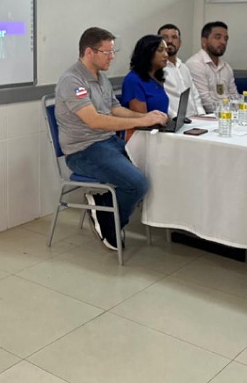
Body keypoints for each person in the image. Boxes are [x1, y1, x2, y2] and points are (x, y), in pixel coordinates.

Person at [55, 27, 168, 250]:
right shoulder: (72, 81)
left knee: (155, 170)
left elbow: (115, 109)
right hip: (83, 151)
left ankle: (102, 204)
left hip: (107, 143)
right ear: (89, 52)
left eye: (113, 52)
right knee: (138, 184)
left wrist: (146, 117)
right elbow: (95, 121)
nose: (112, 57)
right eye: (107, 52)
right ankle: (108, 220)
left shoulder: (101, 77)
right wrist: (140, 121)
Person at [185, 21, 238, 112]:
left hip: (227, 115)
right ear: (204, 42)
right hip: (206, 116)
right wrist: (229, 111)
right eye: (218, 37)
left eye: (226, 39)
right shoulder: (195, 64)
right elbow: (205, 103)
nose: (223, 42)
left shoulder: (226, 67)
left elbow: (235, 96)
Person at [157, 24, 206, 118]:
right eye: (165, 37)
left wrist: (202, 116)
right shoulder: (157, 69)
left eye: (174, 37)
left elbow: (195, 96)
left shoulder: (184, 67)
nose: (169, 41)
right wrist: (176, 119)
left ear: (180, 42)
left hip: (195, 120)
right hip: (174, 121)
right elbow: (160, 102)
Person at [121, 35, 170, 115]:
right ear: (147, 53)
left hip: (162, 122)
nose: (166, 55)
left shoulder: (156, 77)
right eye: (160, 50)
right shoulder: (133, 80)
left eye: (166, 50)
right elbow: (141, 118)